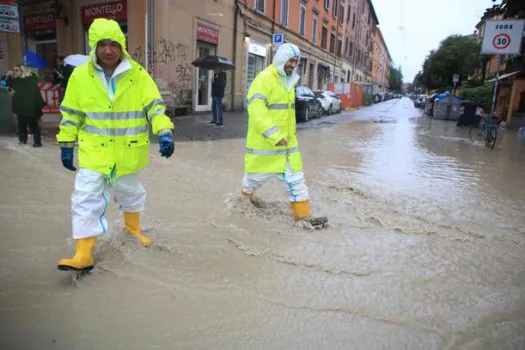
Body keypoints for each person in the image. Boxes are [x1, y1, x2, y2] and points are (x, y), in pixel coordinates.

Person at [56, 18, 175, 272]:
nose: (108, 50)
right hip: (93, 153)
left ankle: (133, 231)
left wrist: (164, 130)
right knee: (85, 198)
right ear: (94, 47)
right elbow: (71, 113)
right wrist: (66, 143)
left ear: (122, 46)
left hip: (128, 152)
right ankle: (83, 253)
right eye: (102, 44)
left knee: (131, 195)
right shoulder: (80, 76)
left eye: (114, 44)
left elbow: (154, 106)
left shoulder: (138, 75)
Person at [241, 43, 327, 226]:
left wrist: (285, 138)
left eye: (296, 61)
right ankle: (241, 204)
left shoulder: (290, 81)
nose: (293, 64)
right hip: (266, 147)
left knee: (297, 180)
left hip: (288, 146)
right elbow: (256, 111)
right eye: (291, 60)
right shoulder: (263, 79)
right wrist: (275, 136)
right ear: (281, 59)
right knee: (252, 180)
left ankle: (303, 218)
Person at [10, 65, 44, 147]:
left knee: (33, 125)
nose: (14, 72)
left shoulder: (31, 79)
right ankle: (22, 140)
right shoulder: (15, 80)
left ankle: (37, 142)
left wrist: (29, 72)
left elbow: (35, 81)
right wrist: (7, 75)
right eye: (14, 70)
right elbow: (3, 84)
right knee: (21, 125)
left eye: (16, 70)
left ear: (23, 71)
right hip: (20, 107)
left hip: (30, 107)